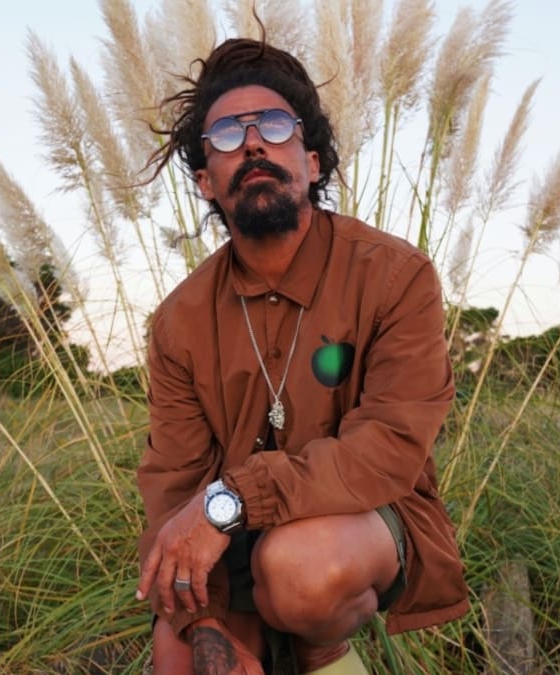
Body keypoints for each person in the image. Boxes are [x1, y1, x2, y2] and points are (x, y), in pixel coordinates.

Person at [135, 36, 468, 674]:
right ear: (205, 182)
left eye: (275, 126)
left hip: (361, 518)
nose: (252, 144)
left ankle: (320, 647)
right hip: (230, 533)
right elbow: (174, 481)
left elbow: (389, 447)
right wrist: (204, 624)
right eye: (226, 136)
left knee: (299, 572)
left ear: (312, 163)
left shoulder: (395, 276)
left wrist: (232, 500)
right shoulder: (178, 321)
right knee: (181, 660)